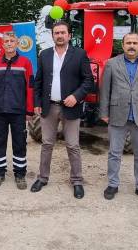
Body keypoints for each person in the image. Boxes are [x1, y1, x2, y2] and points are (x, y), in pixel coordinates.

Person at [31, 21, 94, 199]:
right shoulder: (44, 55)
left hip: (71, 107)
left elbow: (88, 81)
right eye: (56, 33)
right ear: (52, 36)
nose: (59, 35)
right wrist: (37, 102)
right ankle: (42, 178)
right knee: (47, 144)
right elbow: (38, 82)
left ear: (69, 35)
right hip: (48, 106)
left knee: (73, 145)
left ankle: (77, 181)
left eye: (62, 32)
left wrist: (76, 96)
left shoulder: (79, 54)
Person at [98, 33, 138, 204]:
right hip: (117, 115)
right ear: (123, 45)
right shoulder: (112, 63)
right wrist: (103, 112)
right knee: (114, 153)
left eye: (135, 43)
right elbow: (105, 90)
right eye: (128, 43)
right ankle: (113, 184)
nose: (132, 46)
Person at [0, 31, 34, 190]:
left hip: (19, 111)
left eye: (12, 41)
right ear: (2, 44)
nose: (9, 43)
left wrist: (29, 110)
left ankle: (20, 174)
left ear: (16, 43)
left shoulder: (25, 63)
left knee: (19, 143)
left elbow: (30, 88)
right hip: (0, 111)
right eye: (6, 41)